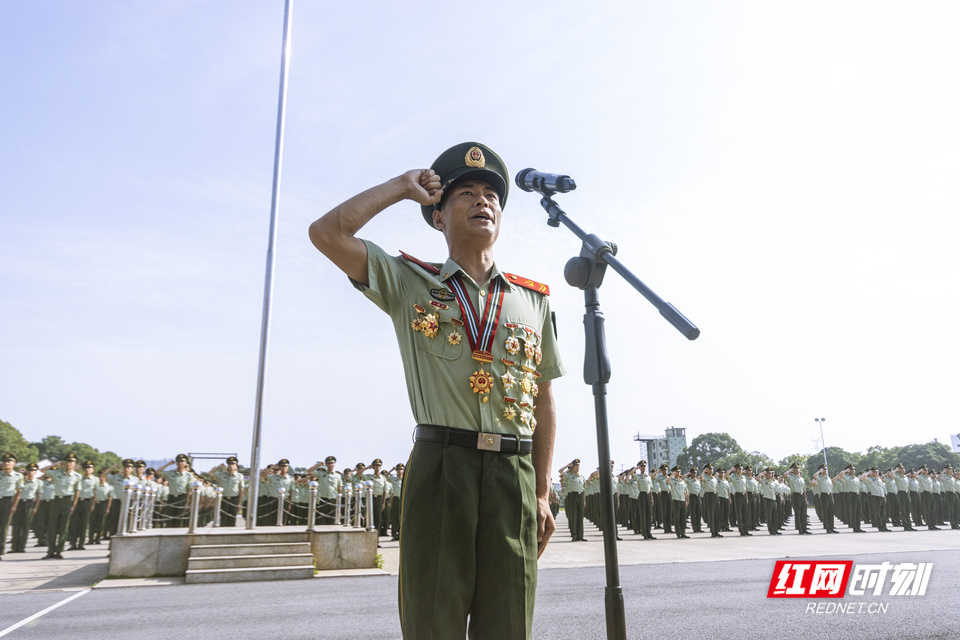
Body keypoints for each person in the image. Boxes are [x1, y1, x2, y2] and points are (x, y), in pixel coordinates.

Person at [309, 141, 564, 639]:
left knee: (509, 624)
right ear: (438, 217)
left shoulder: (533, 301)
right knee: (433, 623)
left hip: (514, 472)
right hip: (443, 466)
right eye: (464, 193)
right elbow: (327, 233)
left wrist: (540, 489)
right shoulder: (409, 282)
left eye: (490, 194)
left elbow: (543, 397)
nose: (481, 201)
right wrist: (399, 188)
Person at [1, 452, 23, 560]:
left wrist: (14, 506)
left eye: (9, 461)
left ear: (14, 463)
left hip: (7, 501)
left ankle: (1, 549)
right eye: (5, 461)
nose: (6, 463)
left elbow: (18, 493)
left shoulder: (18, 476)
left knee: (3, 526)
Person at [211, 456, 245, 527]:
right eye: (229, 464)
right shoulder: (222, 475)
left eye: (233, 464)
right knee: (223, 519)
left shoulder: (240, 476)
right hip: (224, 499)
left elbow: (241, 490)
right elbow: (210, 473)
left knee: (232, 520)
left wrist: (239, 503)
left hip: (234, 499)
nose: (231, 466)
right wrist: (219, 467)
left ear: (236, 466)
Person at [558, 459, 586, 541]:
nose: (578, 467)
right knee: (573, 516)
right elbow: (560, 471)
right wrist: (567, 466)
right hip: (572, 496)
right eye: (576, 466)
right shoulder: (568, 476)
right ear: (572, 467)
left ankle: (580, 536)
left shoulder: (582, 478)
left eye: (578, 466)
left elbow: (584, 490)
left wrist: (584, 500)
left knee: (580, 517)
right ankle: (574, 535)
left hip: (580, 496)